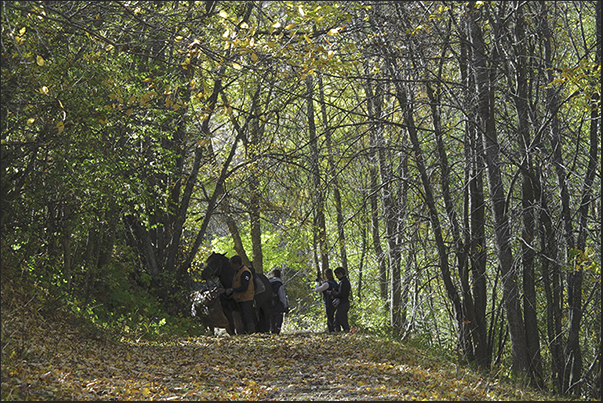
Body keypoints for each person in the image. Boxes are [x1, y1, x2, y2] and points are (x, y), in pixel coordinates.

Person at [225, 255, 256, 334]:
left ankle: (251, 333)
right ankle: (245, 334)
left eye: (232, 264)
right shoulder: (237, 272)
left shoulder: (245, 272)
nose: (231, 266)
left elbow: (244, 287)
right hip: (240, 299)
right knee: (242, 317)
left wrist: (232, 290)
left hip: (246, 298)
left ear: (236, 264)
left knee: (247, 317)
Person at [328, 266, 351, 332]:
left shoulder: (344, 282)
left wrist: (332, 292)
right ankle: (338, 333)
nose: (336, 277)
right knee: (337, 321)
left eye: (337, 275)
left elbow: (341, 294)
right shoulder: (343, 282)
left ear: (340, 273)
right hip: (343, 304)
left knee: (343, 320)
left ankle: (346, 332)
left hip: (343, 304)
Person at [269, 269, 289, 334]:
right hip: (278, 307)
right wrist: (285, 306)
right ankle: (276, 333)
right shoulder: (279, 284)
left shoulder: (268, 283)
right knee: (278, 322)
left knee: (272, 322)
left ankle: (272, 332)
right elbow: (282, 296)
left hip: (270, 307)